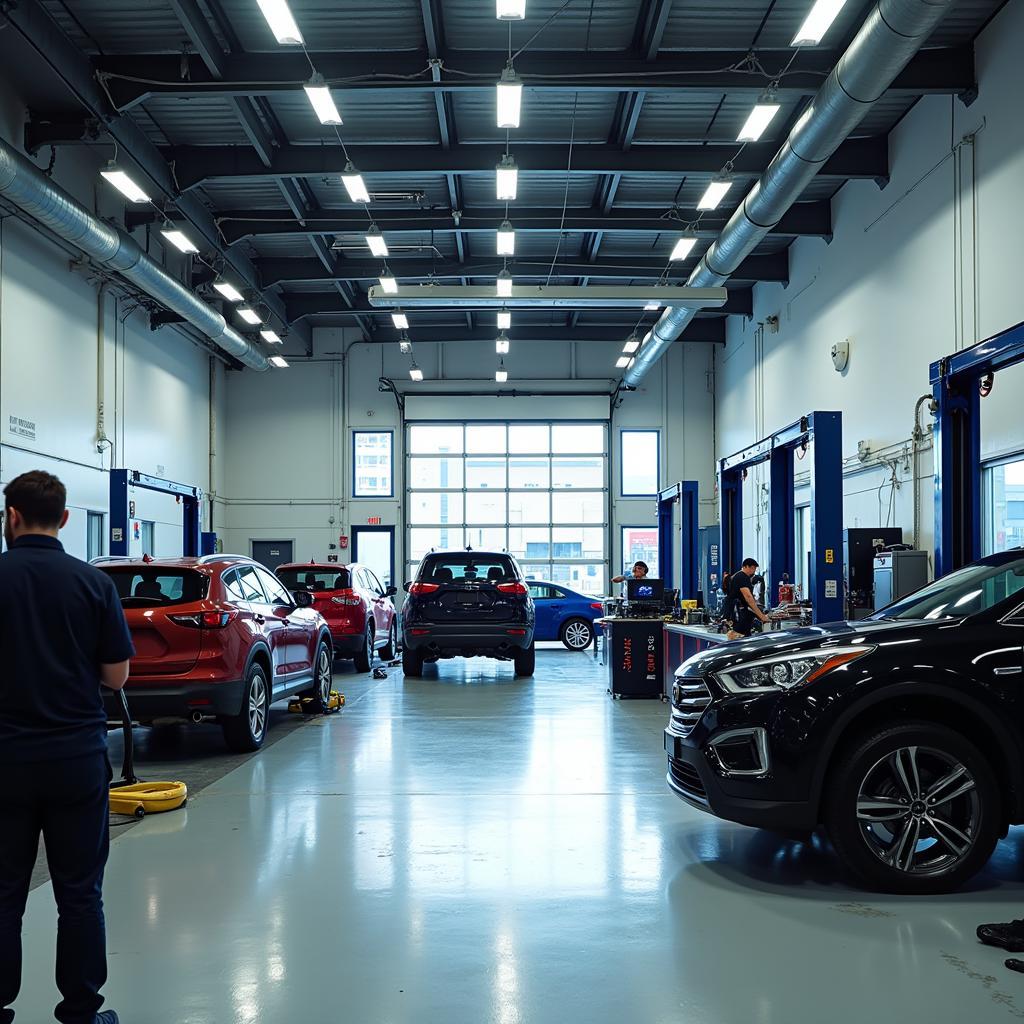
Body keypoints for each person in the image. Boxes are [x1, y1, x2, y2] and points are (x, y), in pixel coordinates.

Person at [0, 471, 133, 1024]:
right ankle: (81, 1011)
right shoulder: (93, 584)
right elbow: (117, 676)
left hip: (3, 761)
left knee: (3, 894)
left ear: (10, 516)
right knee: (79, 893)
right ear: (65, 519)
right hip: (76, 761)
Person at [724, 558, 770, 638]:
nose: (754, 571)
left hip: (737, 612)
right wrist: (761, 616)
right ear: (746, 567)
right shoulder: (742, 577)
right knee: (739, 637)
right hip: (740, 614)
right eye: (753, 568)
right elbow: (748, 597)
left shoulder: (737, 575)